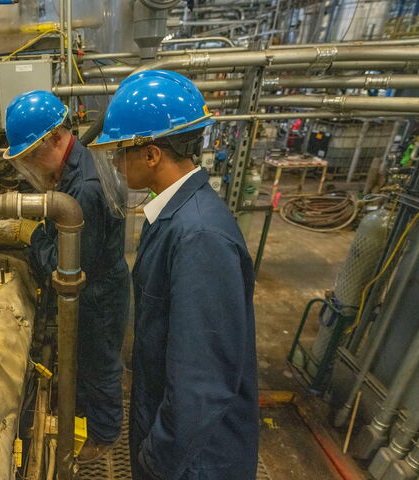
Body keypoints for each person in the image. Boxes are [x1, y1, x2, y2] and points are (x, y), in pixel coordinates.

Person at [89, 70, 259, 480]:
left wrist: (156, 460)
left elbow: (202, 381)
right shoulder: (171, 213)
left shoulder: (199, 236)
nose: (114, 162)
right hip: (171, 432)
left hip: (194, 460)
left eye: (120, 152)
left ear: (151, 155)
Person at [0, 90, 130, 462]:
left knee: (100, 363)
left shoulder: (85, 190)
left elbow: (69, 265)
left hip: (97, 295)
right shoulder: (75, 164)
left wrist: (29, 234)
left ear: (54, 139)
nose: (29, 164)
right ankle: (79, 408)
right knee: (84, 359)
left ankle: (105, 434)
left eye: (31, 154)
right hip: (100, 282)